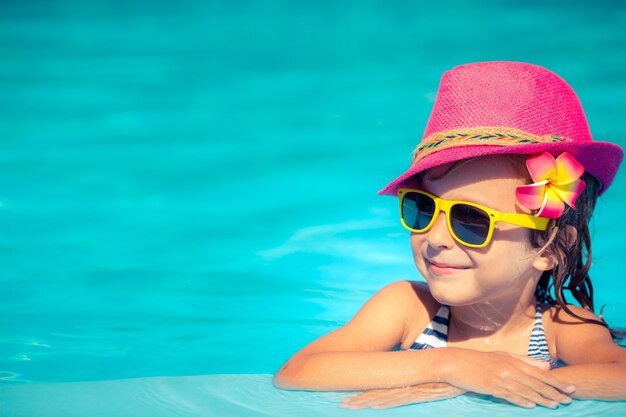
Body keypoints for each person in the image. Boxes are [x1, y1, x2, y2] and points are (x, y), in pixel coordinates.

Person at [272, 61, 626, 409]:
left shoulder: (561, 327)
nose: (436, 237)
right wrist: (452, 366)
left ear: (551, 247)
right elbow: (297, 370)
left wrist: (498, 379)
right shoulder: (409, 308)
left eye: (471, 219)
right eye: (423, 208)